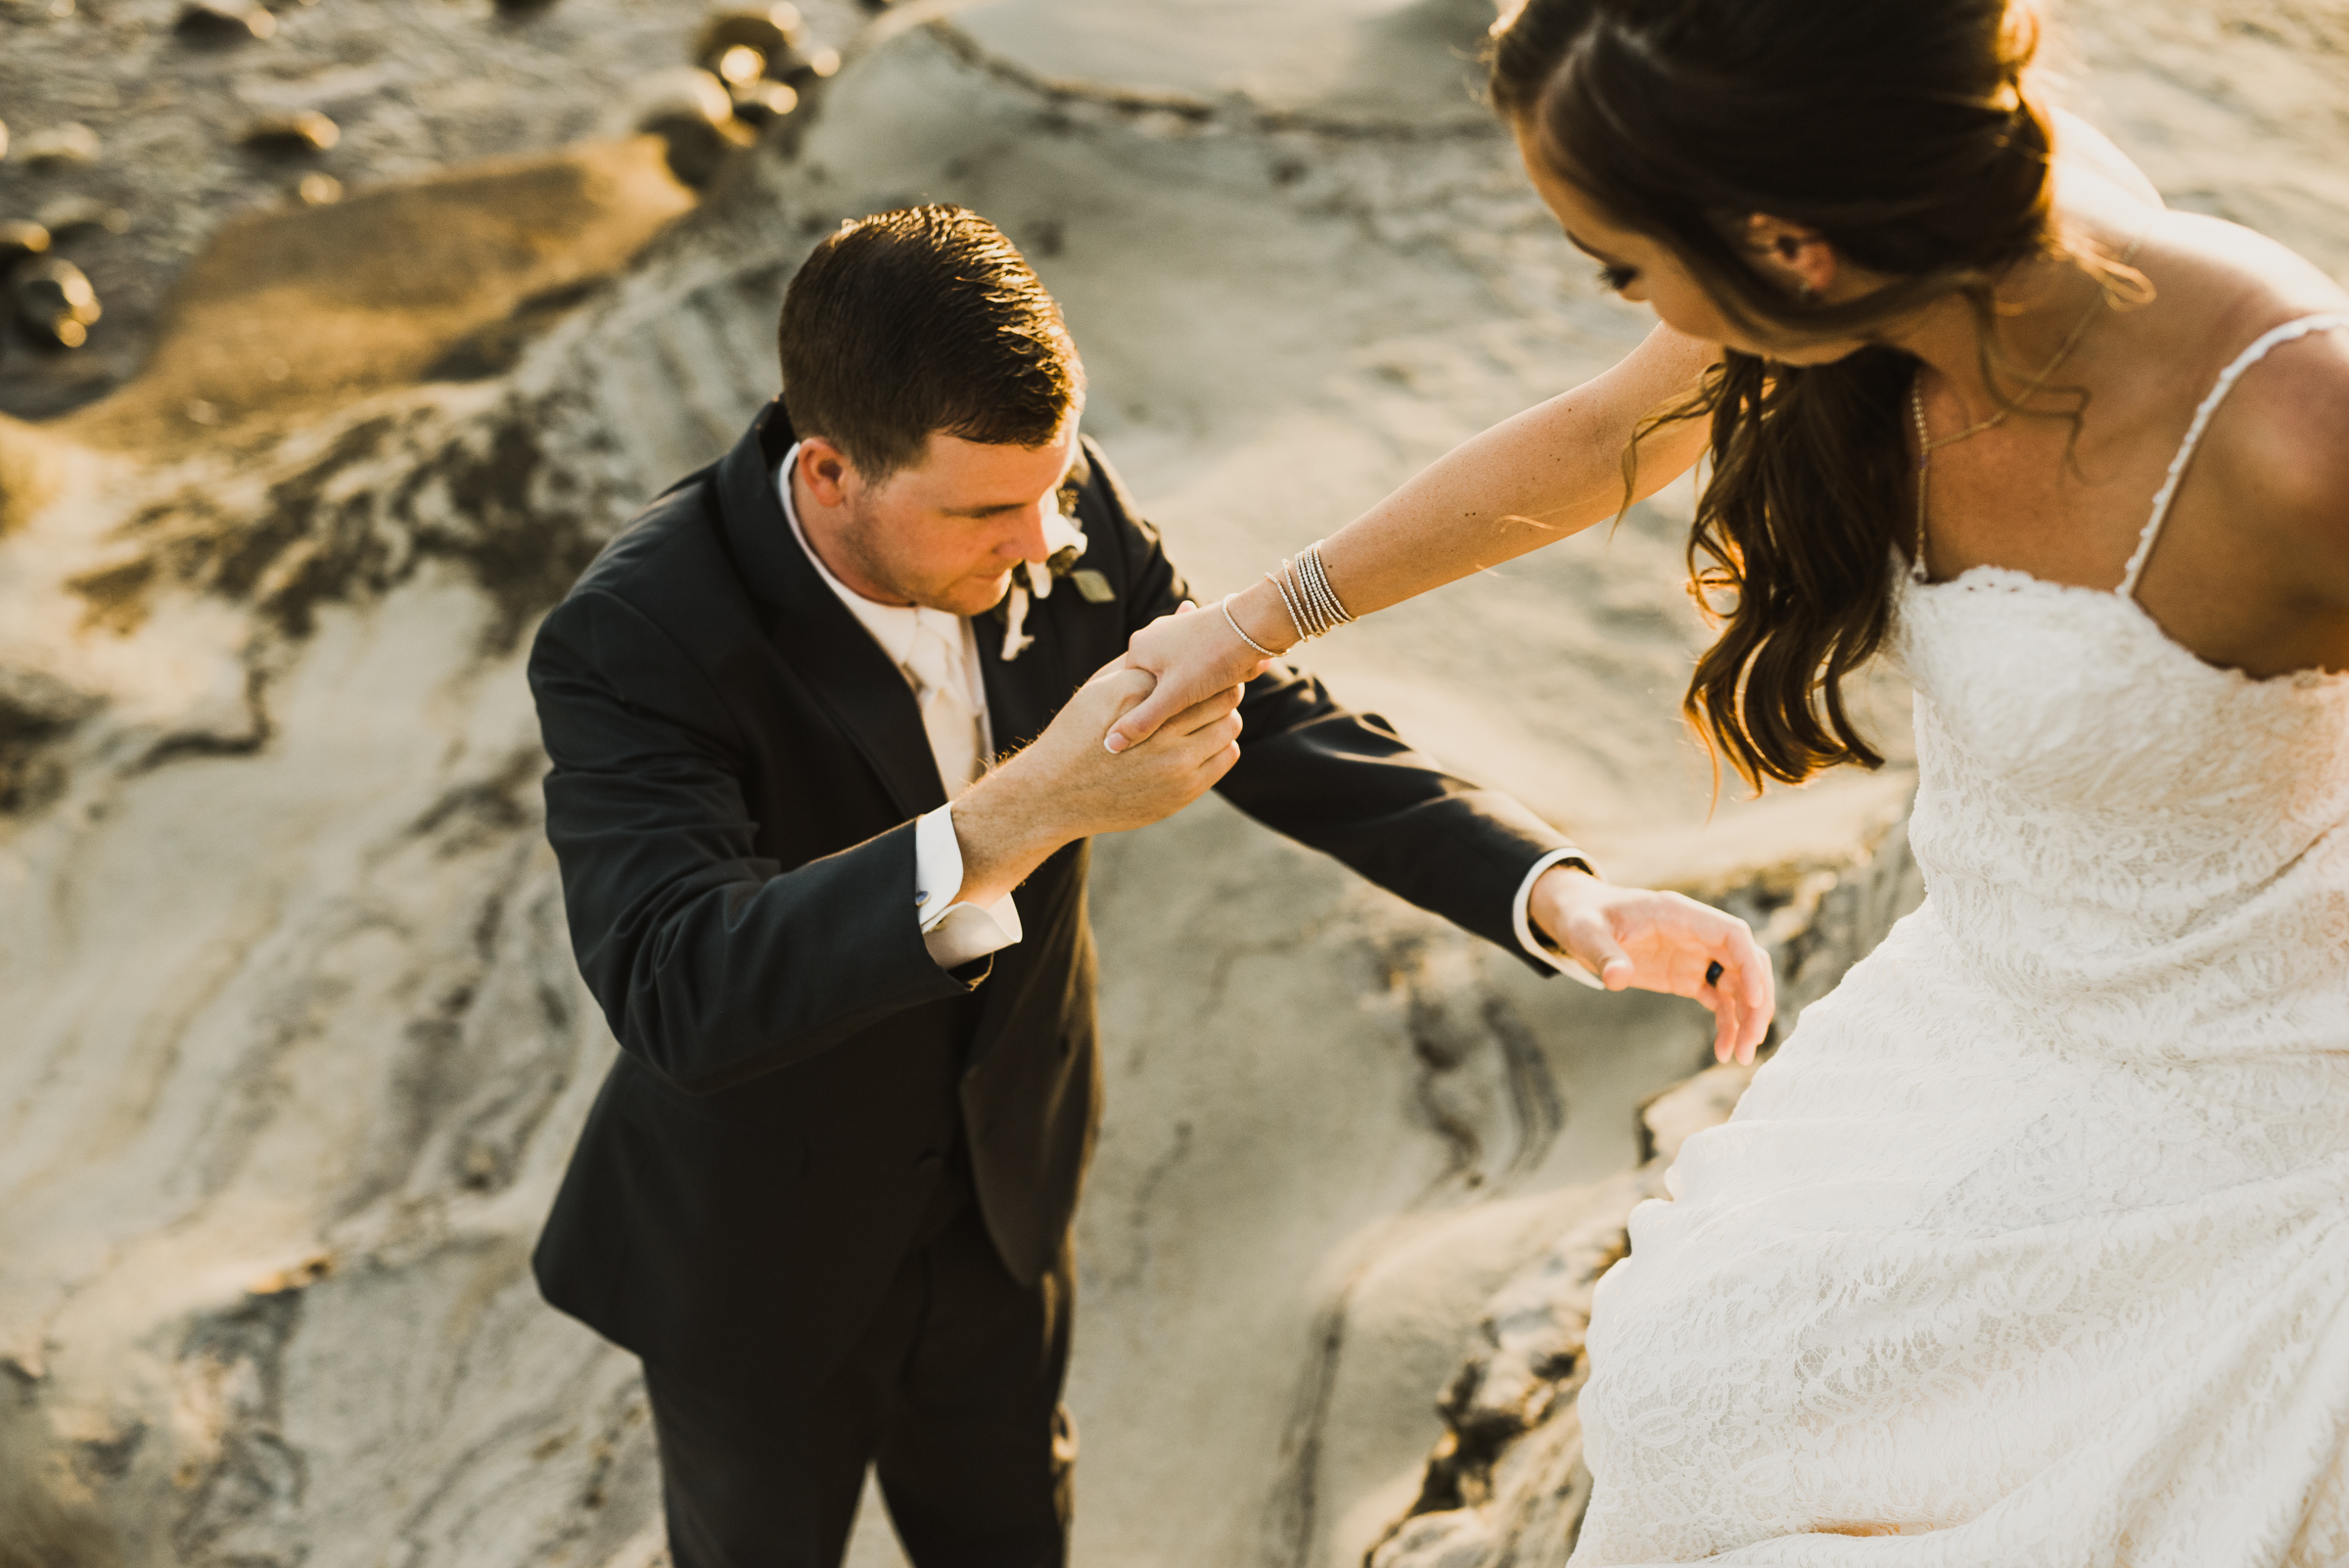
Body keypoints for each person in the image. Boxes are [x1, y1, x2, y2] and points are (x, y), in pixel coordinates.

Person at [1111, 0, 2349, 1559]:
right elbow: (1603, 439)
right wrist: (1244, 626)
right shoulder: (1915, 239)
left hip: (2268, 1081)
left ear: (1788, 247)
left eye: (1623, 266)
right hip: (1989, 1002)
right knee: (1691, 1412)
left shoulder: (2295, 424)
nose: (1632, 308)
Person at [523, 204, 1771, 1568]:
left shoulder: (1050, 503)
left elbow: (1273, 720)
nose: (1048, 539)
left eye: (1055, 487)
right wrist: (1036, 804)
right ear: (830, 475)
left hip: (1006, 1199)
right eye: (991, 510)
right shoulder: (636, 635)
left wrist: (1549, 890)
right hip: (759, 1256)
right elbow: (677, 978)